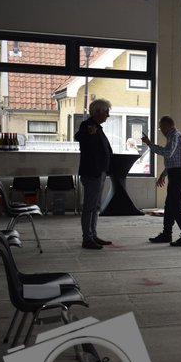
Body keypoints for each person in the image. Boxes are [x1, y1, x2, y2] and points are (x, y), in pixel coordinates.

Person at [142, 116, 181, 247]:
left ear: (166, 126)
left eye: (160, 128)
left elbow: (168, 153)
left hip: (178, 175)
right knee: (169, 205)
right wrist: (163, 174)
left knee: (175, 205)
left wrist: (149, 144)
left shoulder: (173, 136)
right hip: (177, 173)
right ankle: (167, 234)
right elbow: (175, 160)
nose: (161, 130)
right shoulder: (178, 136)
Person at [75, 99, 113, 250]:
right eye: (106, 112)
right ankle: (87, 238)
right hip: (92, 173)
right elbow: (79, 137)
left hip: (99, 172)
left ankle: (93, 234)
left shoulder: (97, 127)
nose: (108, 115)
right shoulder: (87, 126)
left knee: (96, 206)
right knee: (89, 207)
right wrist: (89, 134)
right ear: (97, 112)